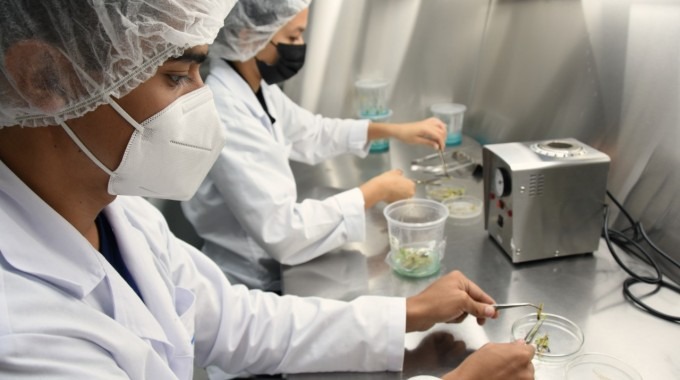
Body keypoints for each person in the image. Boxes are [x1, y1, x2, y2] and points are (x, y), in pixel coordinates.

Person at [0, 1, 534, 379]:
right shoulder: (20, 333)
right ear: (45, 78)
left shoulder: (124, 217)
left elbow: (235, 320)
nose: (205, 103)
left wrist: (403, 314)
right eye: (177, 75)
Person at [181, 0, 449, 292]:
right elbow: (282, 231)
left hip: (267, 269)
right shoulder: (225, 110)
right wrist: (375, 192)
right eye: (293, 37)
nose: (300, 46)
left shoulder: (255, 87)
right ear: (248, 37)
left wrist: (395, 130)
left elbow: (313, 132)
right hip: (246, 280)